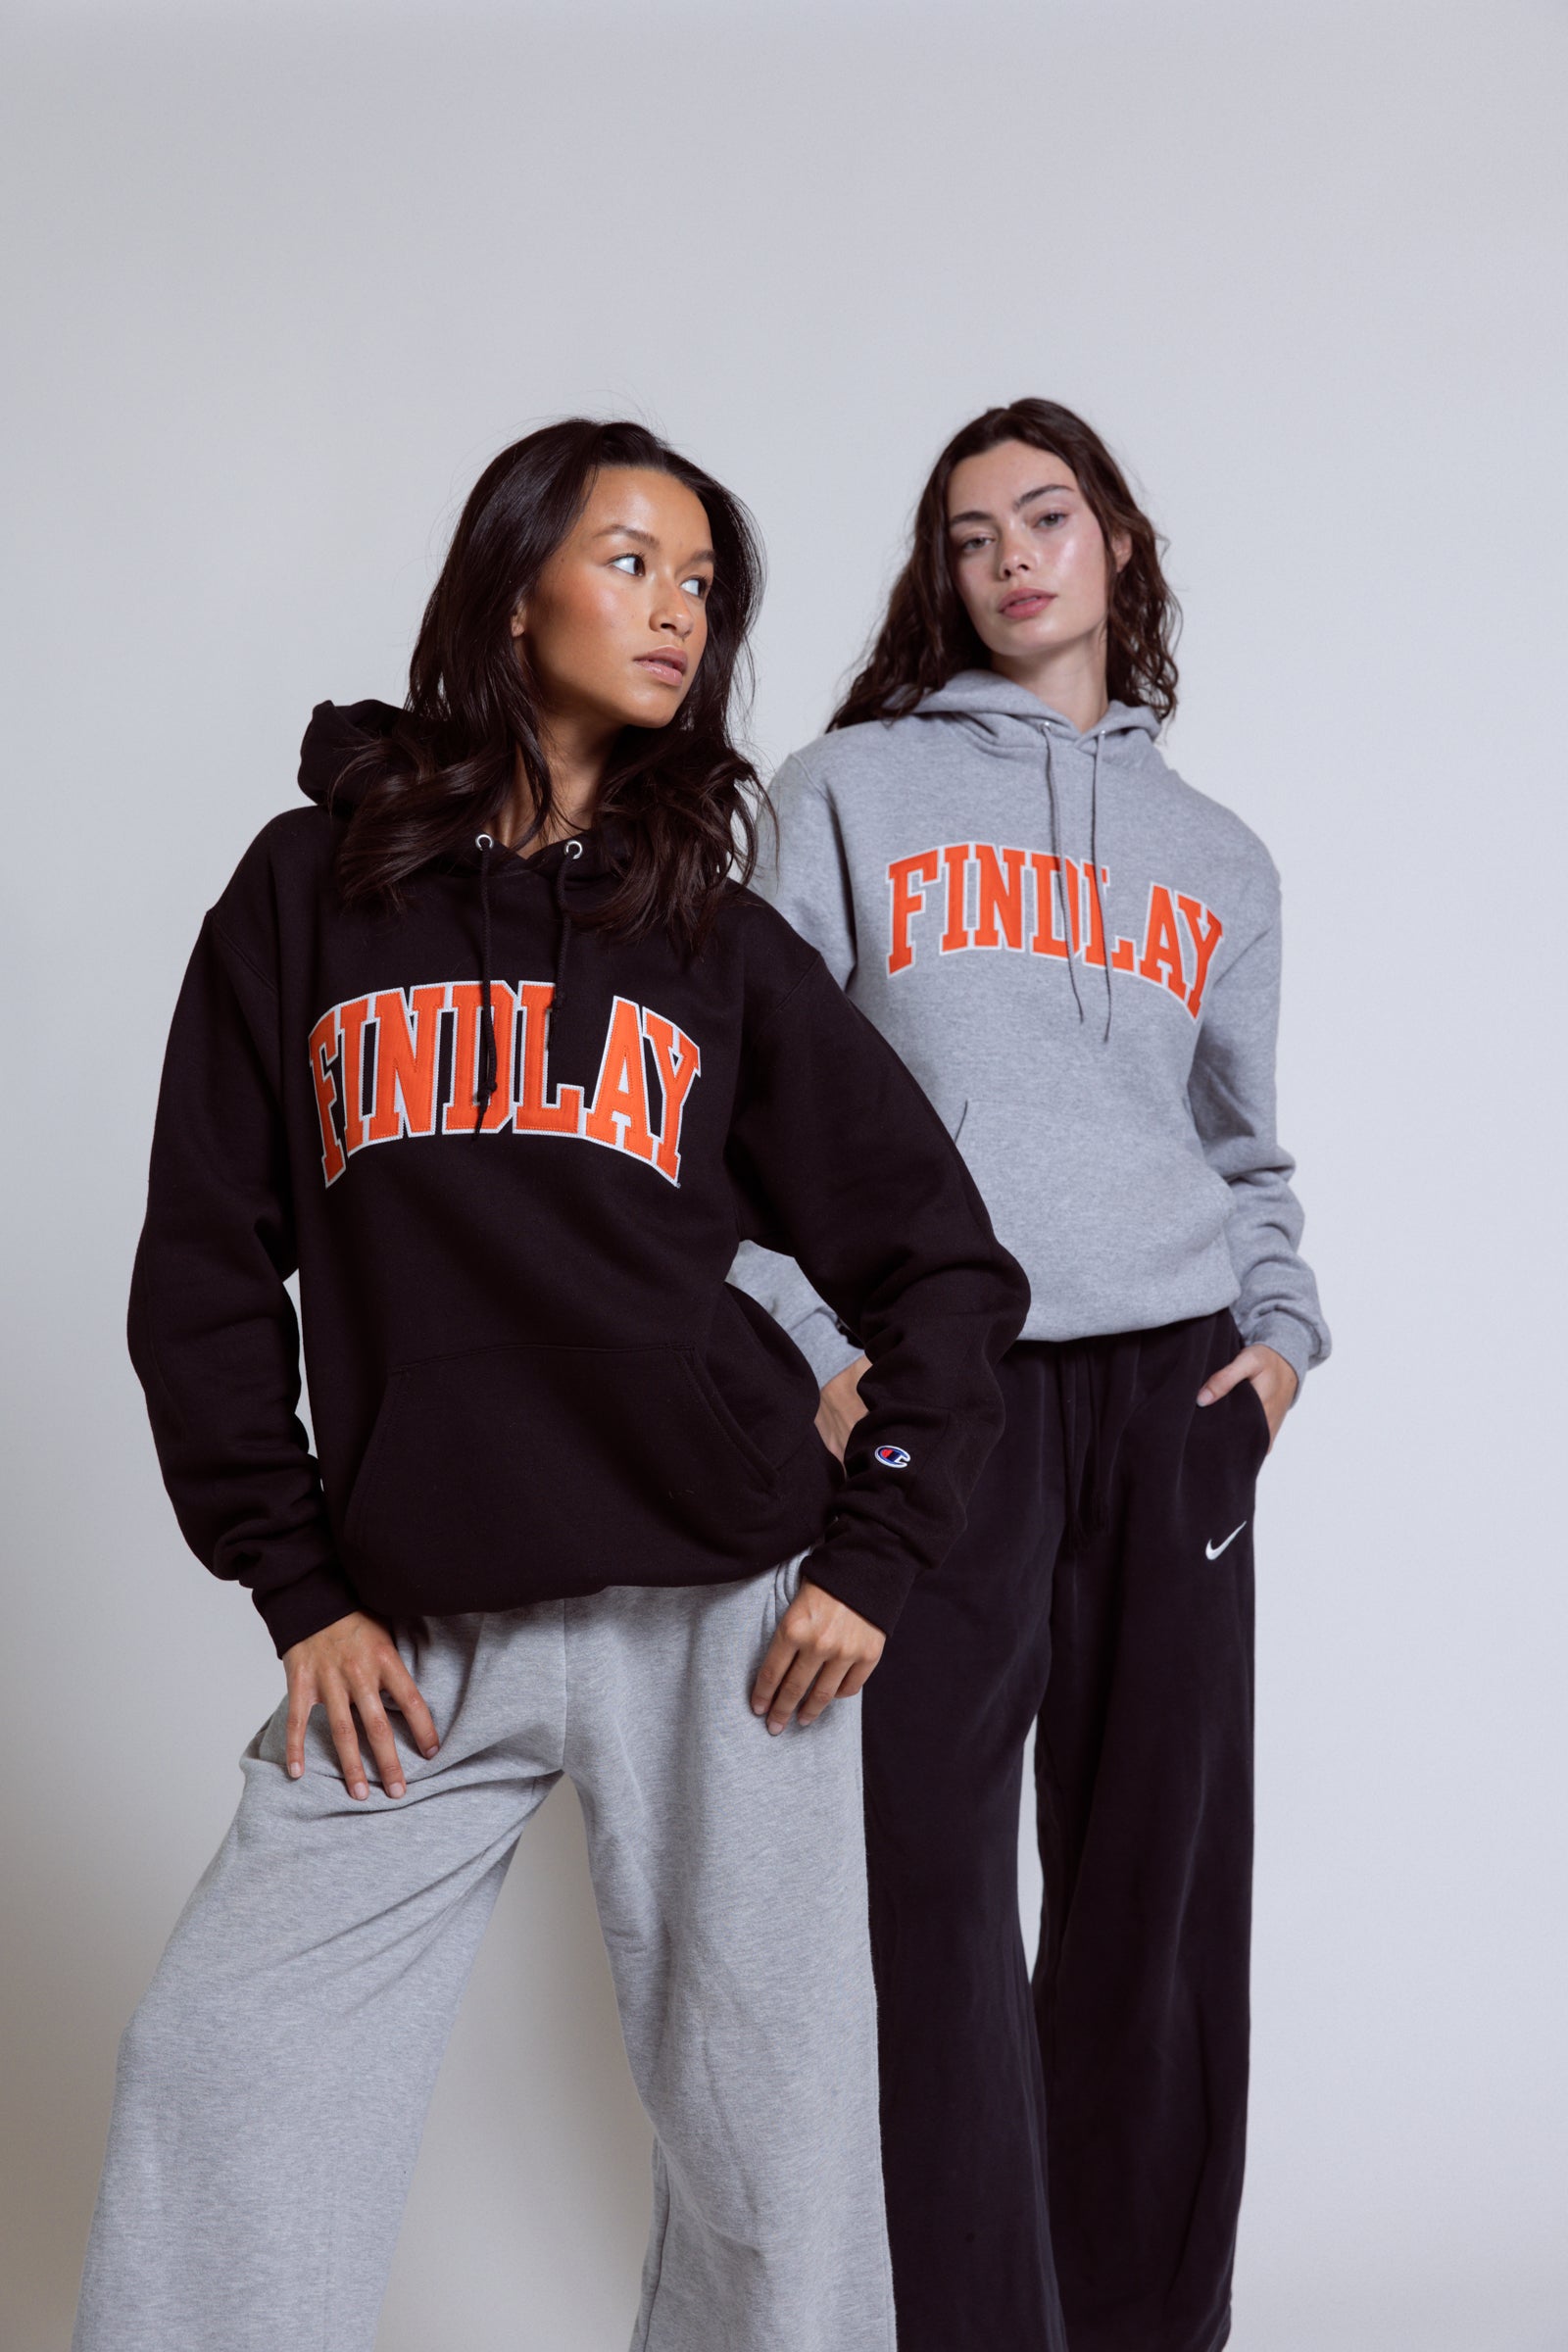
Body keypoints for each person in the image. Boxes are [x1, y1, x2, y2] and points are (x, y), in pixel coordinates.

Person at [74, 417, 1031, 2352]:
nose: (674, 609)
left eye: (701, 585)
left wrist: (876, 1546)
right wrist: (297, 1583)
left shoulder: (709, 948)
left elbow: (943, 1261)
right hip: (411, 1621)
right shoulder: (302, 896)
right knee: (224, 2074)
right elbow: (197, 1267)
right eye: (628, 562)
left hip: (725, 1612)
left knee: (773, 2155)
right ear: (514, 589)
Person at [731, 398, 1331, 2352]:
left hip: (1171, 1398)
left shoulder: (1213, 858)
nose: (1009, 558)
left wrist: (1276, 1343)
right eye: (970, 533)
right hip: (946, 1390)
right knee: (918, 1902)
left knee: (1151, 1907)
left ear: (1119, 544)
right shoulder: (842, 794)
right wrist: (823, 1348)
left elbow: (1244, 1152)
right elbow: (737, 1114)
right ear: (942, 575)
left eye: (1044, 516)